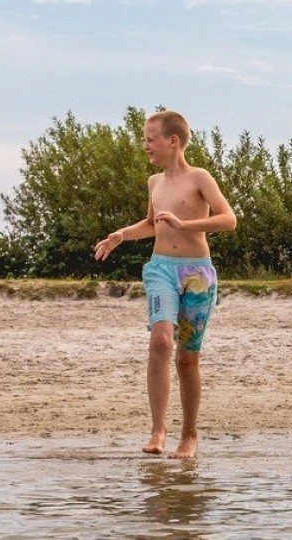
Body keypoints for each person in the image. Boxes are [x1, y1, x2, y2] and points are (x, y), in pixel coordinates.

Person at [92, 110, 238, 460]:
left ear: (173, 141)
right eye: (145, 139)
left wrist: (185, 224)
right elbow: (151, 223)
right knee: (160, 341)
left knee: (188, 359)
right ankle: (158, 428)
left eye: (150, 138)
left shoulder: (200, 177)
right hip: (161, 270)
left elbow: (229, 220)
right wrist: (122, 235)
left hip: (198, 274)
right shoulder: (154, 183)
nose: (146, 146)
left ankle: (189, 434)